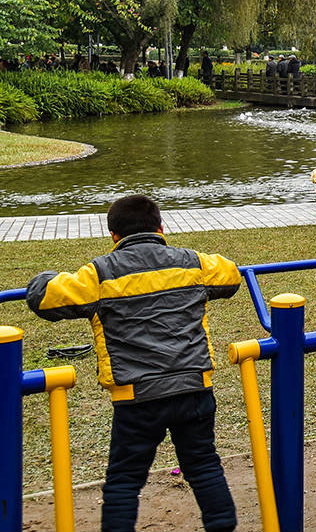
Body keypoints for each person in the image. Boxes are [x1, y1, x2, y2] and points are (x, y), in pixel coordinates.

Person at [25, 194, 241, 532]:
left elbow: (45, 298)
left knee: (124, 481)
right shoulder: (192, 263)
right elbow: (230, 275)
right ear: (160, 227)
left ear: (113, 235)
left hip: (136, 396)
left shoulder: (99, 274)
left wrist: (44, 276)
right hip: (193, 386)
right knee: (203, 467)